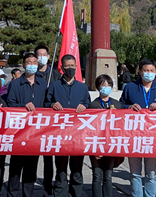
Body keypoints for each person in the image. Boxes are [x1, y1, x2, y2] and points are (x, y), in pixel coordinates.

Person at [119, 59, 156, 197]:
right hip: (134, 135)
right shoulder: (130, 87)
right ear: (140, 72)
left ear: (155, 73)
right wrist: (129, 107)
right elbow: (121, 105)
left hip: (153, 136)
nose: (149, 73)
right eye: (146, 71)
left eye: (152, 71)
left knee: (151, 173)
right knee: (135, 173)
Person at [45, 55, 90, 197]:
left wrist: (85, 107)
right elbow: (46, 105)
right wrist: (52, 105)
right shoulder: (54, 86)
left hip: (78, 134)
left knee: (77, 168)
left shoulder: (83, 88)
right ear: (62, 68)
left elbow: (88, 106)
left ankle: (76, 193)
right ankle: (60, 193)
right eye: (67, 66)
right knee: (61, 168)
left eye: (72, 66)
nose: (70, 69)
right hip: (60, 133)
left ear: (76, 67)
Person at [7, 53, 47, 197]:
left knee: (31, 167)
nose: (32, 64)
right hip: (19, 131)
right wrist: (23, 106)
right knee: (16, 167)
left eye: (35, 62)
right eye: (29, 62)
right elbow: (10, 104)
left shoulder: (42, 83)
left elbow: (45, 105)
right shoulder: (15, 84)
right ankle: (12, 193)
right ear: (23, 65)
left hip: (36, 132)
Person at [89, 74, 122, 197]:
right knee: (97, 175)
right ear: (98, 87)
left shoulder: (117, 104)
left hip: (111, 144)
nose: (106, 88)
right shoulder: (93, 105)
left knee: (108, 175)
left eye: (108, 85)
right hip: (96, 143)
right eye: (103, 85)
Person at [33, 44, 57, 197]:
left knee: (49, 159)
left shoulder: (55, 75)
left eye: (44, 54)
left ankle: (48, 187)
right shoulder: (31, 75)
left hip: (50, 123)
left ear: (49, 56)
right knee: (31, 157)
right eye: (38, 54)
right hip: (33, 122)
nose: (41, 57)